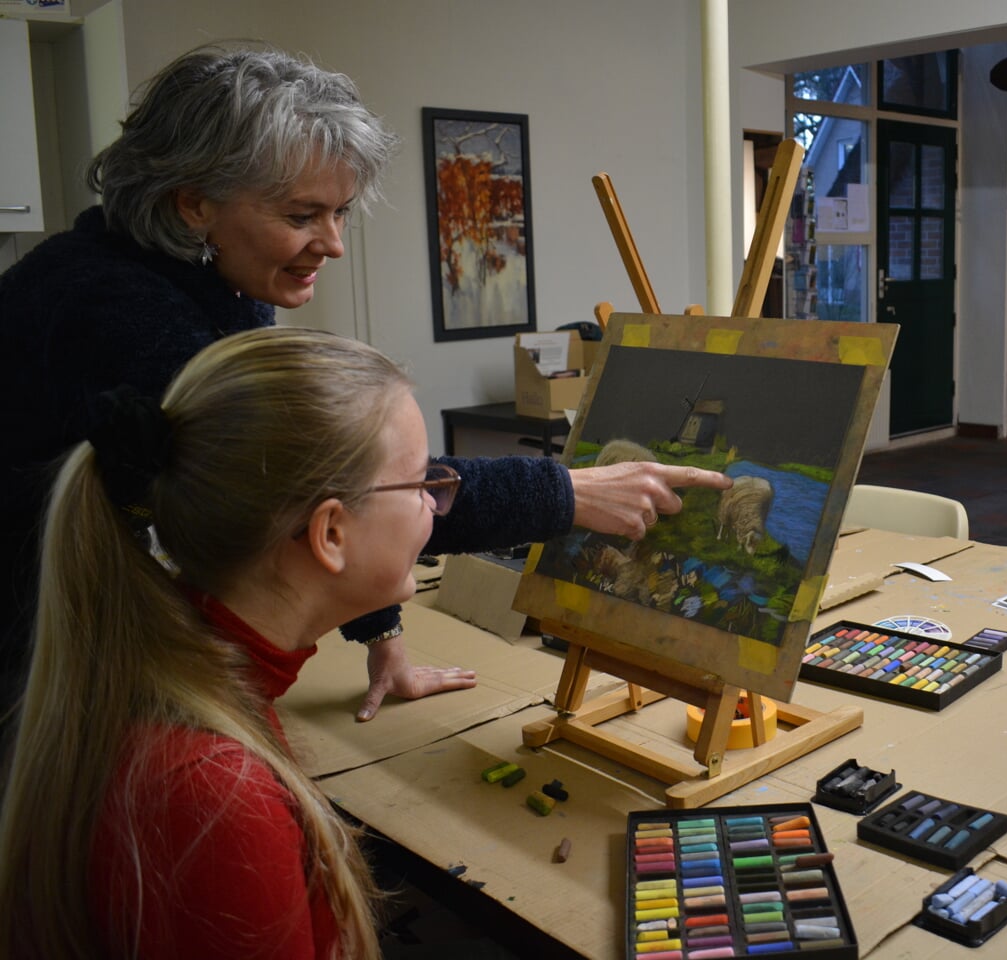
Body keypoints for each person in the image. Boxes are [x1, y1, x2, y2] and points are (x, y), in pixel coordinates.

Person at [0, 43, 729, 723]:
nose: (335, 243)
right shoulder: (110, 307)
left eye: (341, 211)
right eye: (302, 215)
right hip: (36, 661)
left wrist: (382, 633)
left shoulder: (210, 270)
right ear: (195, 204)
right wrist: (567, 494)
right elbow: (331, 486)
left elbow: (319, 479)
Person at [0, 327, 437, 958]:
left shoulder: (178, 666)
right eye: (422, 483)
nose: (434, 505)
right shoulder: (213, 797)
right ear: (331, 533)